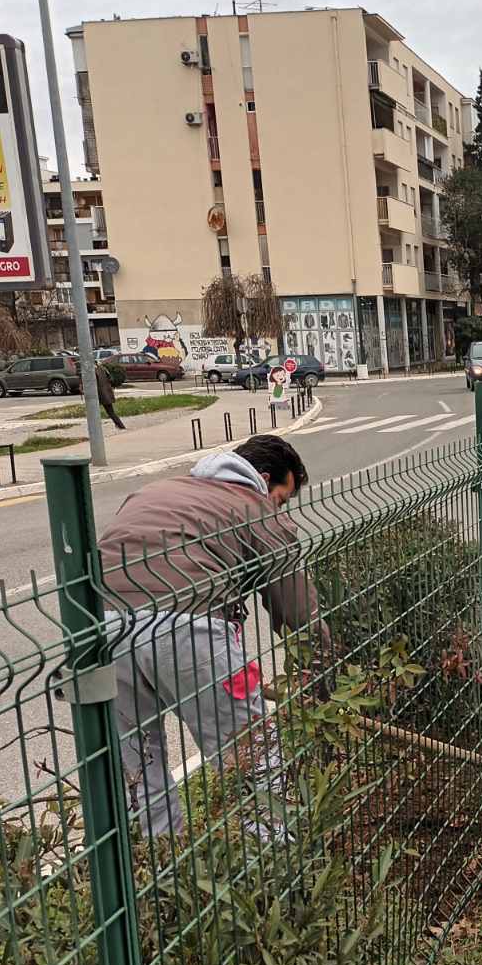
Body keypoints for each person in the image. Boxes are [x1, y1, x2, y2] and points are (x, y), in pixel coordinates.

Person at [98, 435, 325, 842]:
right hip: (191, 628)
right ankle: (273, 864)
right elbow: (295, 610)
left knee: (138, 766)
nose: (280, 508)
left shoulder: (156, 490)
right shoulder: (254, 506)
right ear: (264, 479)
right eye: (282, 498)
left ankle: (160, 873)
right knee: (254, 758)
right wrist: (323, 667)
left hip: (105, 629)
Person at [95, 360, 125, 430]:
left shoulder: (94, 371)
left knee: (95, 412)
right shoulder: (103, 368)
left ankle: (120, 426)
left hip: (100, 394)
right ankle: (120, 425)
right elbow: (110, 379)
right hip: (107, 392)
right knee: (111, 411)